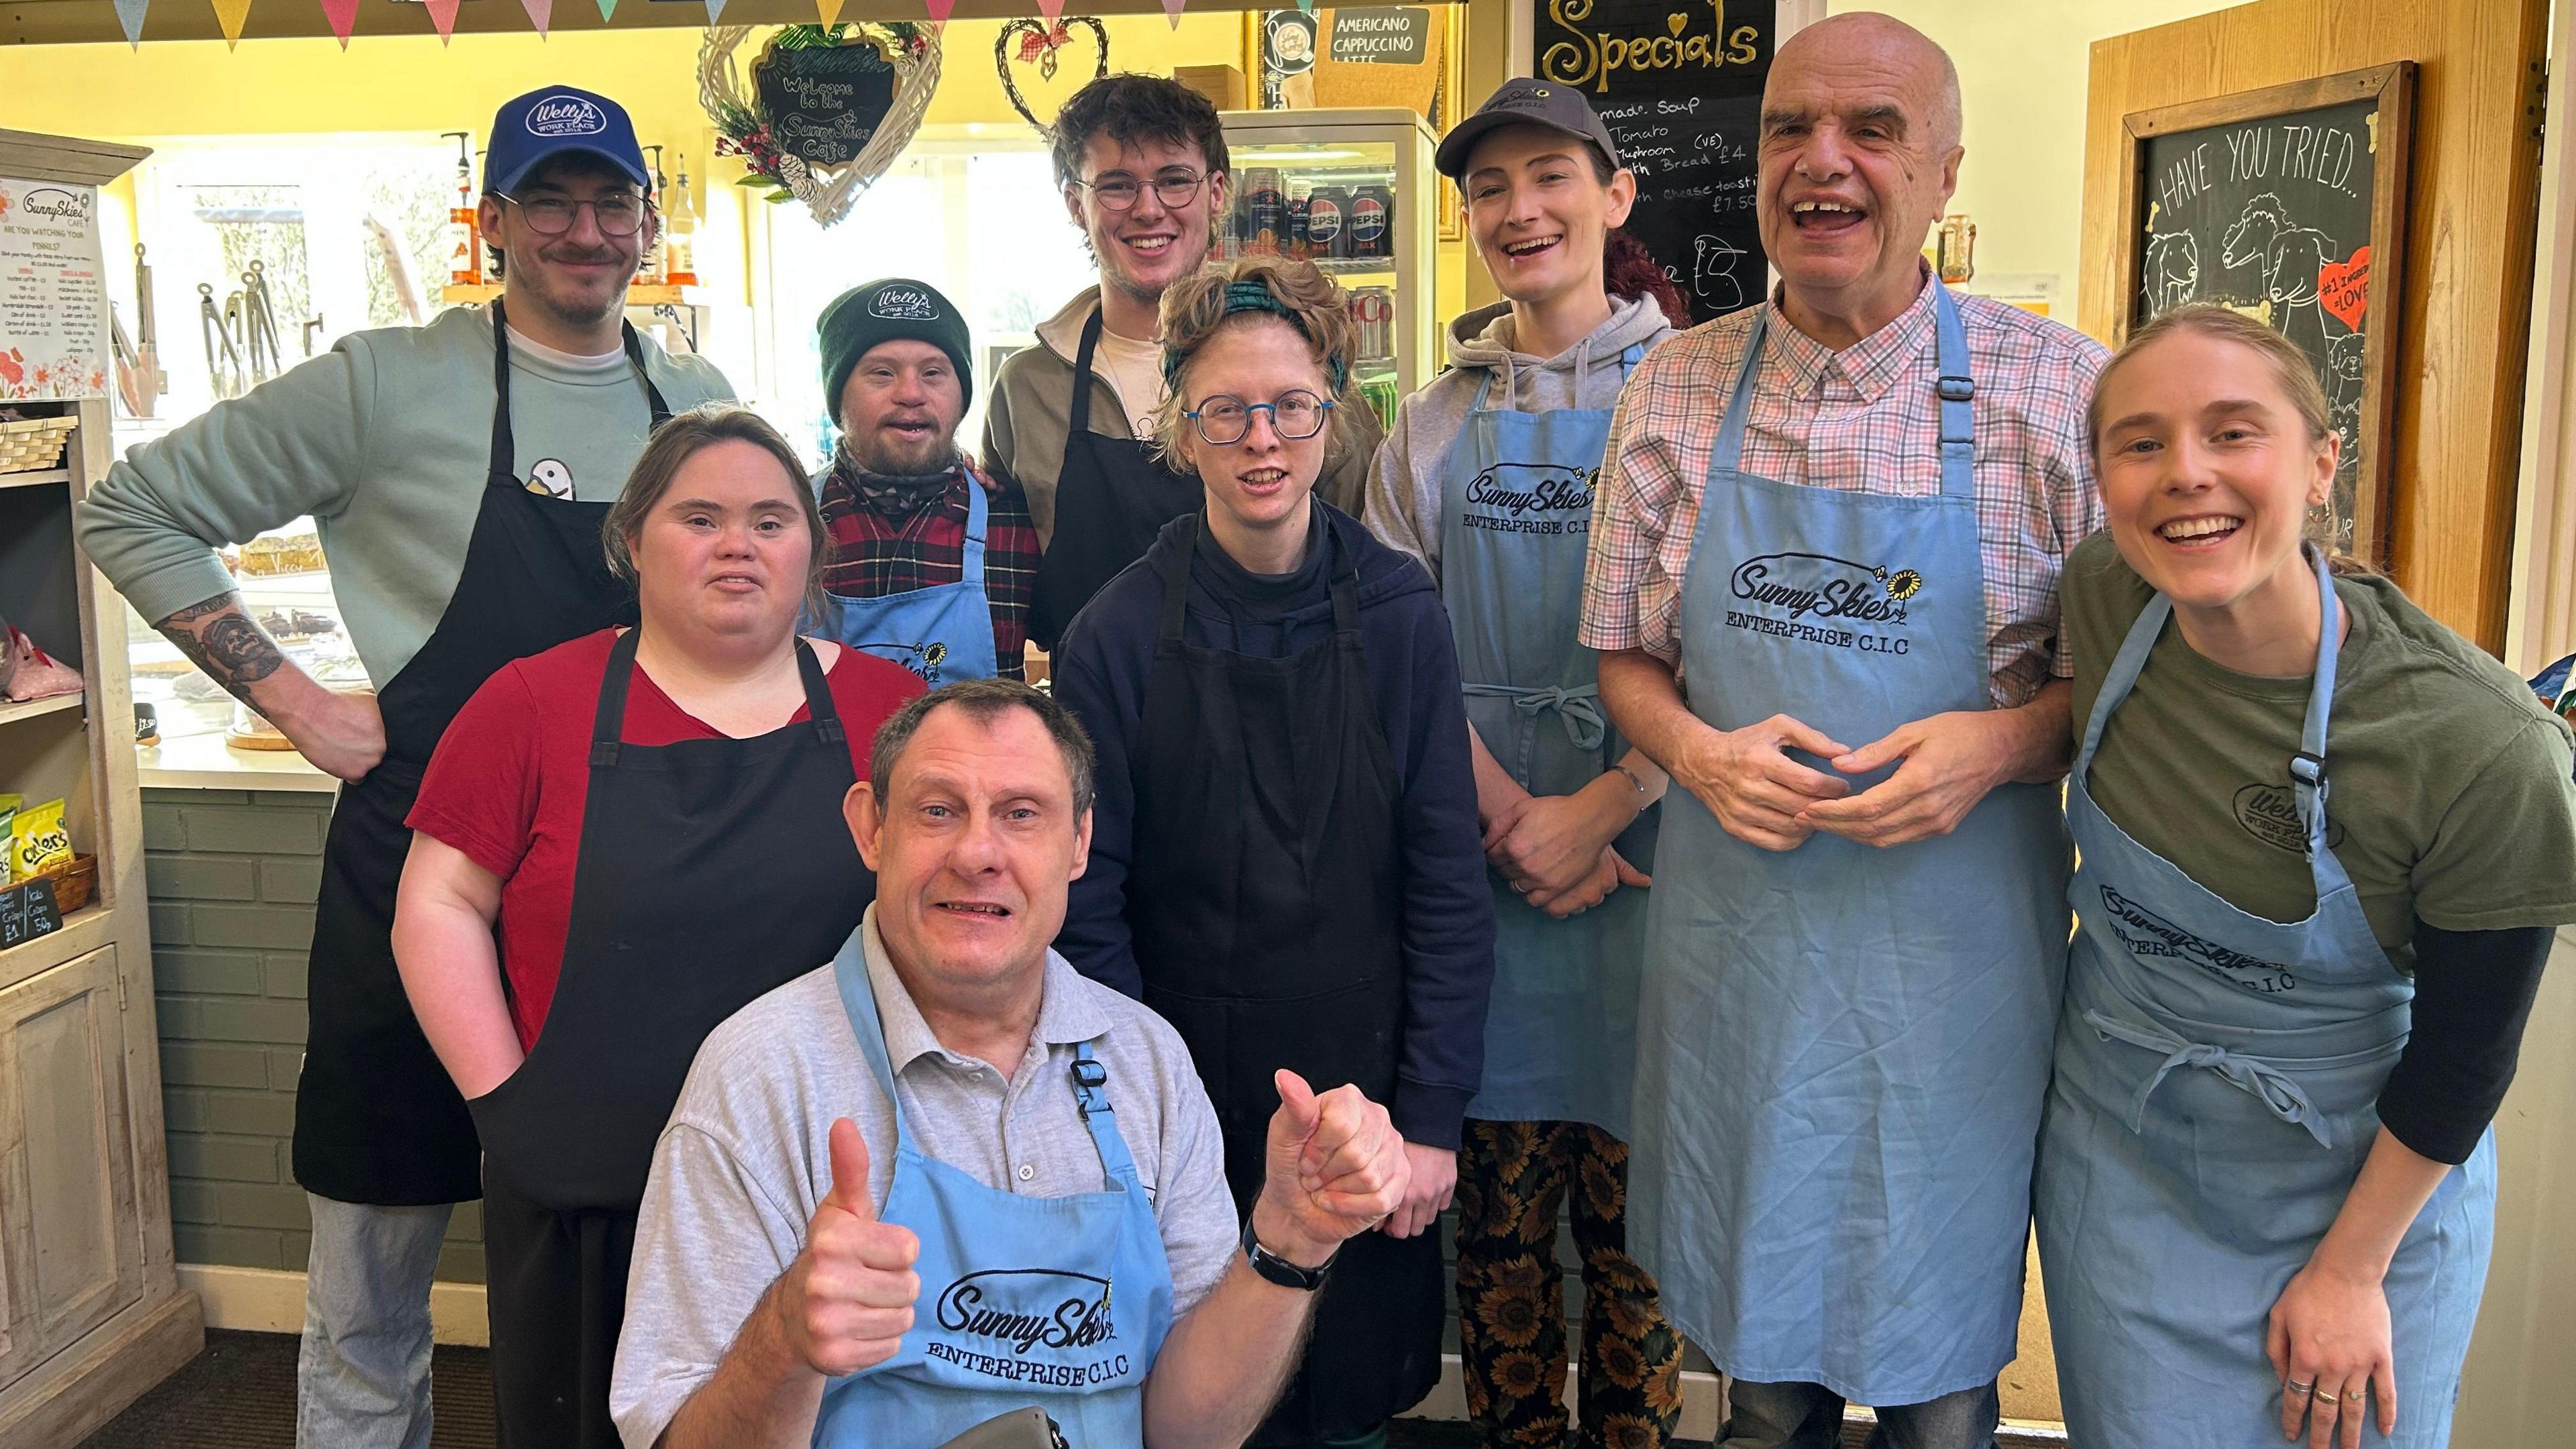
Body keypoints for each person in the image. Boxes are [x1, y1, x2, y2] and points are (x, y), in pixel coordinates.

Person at [74, 85, 730, 1448]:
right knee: (372, 1268)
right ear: (493, 224)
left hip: (628, 902)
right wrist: (296, 698)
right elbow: (133, 507)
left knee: (632, 1265)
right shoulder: (387, 383)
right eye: (549, 200)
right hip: (413, 876)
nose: (584, 229)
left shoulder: (696, 396)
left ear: (647, 221)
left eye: (610, 201)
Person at [1580, 15, 2107, 1446]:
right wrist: (1692, 754)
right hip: (1743, 967)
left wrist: (1997, 748)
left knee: (1942, 1394)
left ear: (1941, 173)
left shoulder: (2061, 393)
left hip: (1954, 981)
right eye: (1788, 129)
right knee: (1762, 1386)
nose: (1824, 163)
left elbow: (2131, 695)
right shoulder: (1674, 388)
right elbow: (1626, 659)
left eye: (1871, 131)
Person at [608, 678, 1415, 1448]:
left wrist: (1290, 1241)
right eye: (937, 810)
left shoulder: (1149, 1064)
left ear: (1079, 842)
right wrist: (785, 1340)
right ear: (870, 828)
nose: (978, 853)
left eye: (1022, 814)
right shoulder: (760, 1075)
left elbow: (1188, 1435)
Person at [2035, 305, 2576, 1449]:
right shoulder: (2103, 595)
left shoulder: (2478, 742)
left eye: (2234, 433)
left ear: (2322, 464)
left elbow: (2468, 1052)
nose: (2186, 474)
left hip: (2367, 1184)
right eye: (2140, 444)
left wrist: (2350, 1273)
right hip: (2125, 1162)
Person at [390, 409, 924, 1448]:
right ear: (633, 541)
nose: (738, 545)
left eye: (771, 521)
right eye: (701, 518)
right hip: (589, 1183)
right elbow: (439, 903)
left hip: (830, 1193)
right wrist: (505, 1100)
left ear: (811, 545)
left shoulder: (890, 710)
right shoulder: (532, 703)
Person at [1051, 256, 1493, 1449]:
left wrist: (1433, 1117)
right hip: (1179, 1087)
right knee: (1195, 1398)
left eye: (1290, 407)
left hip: (1369, 1095)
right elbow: (1090, 915)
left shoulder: (1400, 612)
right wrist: (1139, 1122)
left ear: (1335, 411)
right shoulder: (1117, 635)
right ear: (1178, 430)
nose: (1262, 440)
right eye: (1224, 411)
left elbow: (1448, 881)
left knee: (1346, 1392)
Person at [1364, 78, 1688, 1449]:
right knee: (1498, 1264)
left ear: (1613, 197)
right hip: (1483, 870)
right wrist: (1515, 823)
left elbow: (1733, 639)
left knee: (1644, 1253)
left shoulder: (1701, 390)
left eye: (1549, 175)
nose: (1519, 210)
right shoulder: (1432, 420)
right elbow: (1395, 651)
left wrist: (1611, 799)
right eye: (1489, 188)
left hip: (1661, 866)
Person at [983, 73, 1381, 652]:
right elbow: (999, 575)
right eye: (1117, 186)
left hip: (1278, 709)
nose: (1149, 210)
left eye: (1175, 181)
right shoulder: (1027, 391)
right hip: (1090, 724)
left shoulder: (1307, 374)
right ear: (1076, 203)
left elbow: (1364, 571)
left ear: (1217, 191)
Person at [812, 278, 1039, 684]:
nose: (911, 394)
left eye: (933, 373)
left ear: (962, 395)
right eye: (881, 373)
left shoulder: (1016, 525)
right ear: (838, 396)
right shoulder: (787, 527)